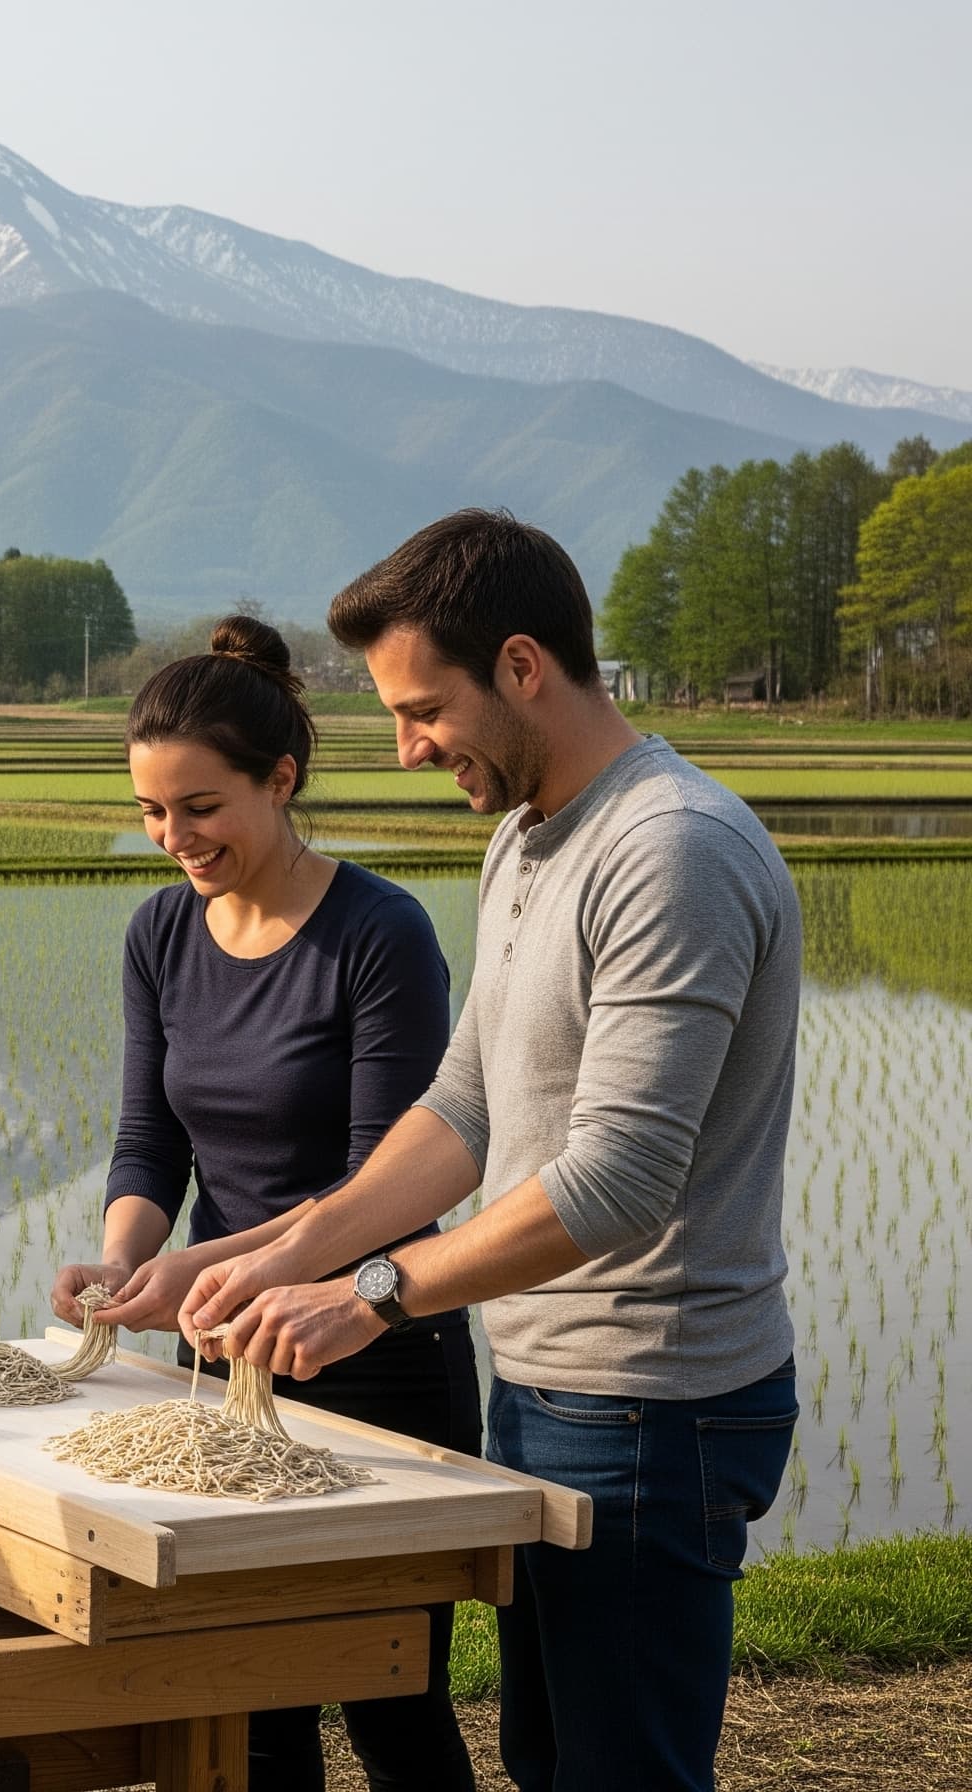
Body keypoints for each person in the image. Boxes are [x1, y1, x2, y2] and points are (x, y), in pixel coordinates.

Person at [182, 511, 802, 1792]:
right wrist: (279, 1253)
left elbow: (619, 1176)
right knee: (546, 1752)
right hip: (544, 1385)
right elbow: (462, 1109)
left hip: (651, 1401)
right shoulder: (527, 837)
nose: (409, 751)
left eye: (422, 711)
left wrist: (369, 1296)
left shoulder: (669, 850)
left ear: (522, 666)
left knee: (615, 1768)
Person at [47, 617, 476, 1792]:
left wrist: (196, 1269)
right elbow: (152, 1139)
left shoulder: (376, 934)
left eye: (200, 806)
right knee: (248, 1706)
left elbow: (380, 1183)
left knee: (390, 1698)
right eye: (151, 811)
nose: (173, 838)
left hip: (376, 1349)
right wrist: (122, 1263)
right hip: (224, 1356)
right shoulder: (161, 932)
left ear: (279, 782)